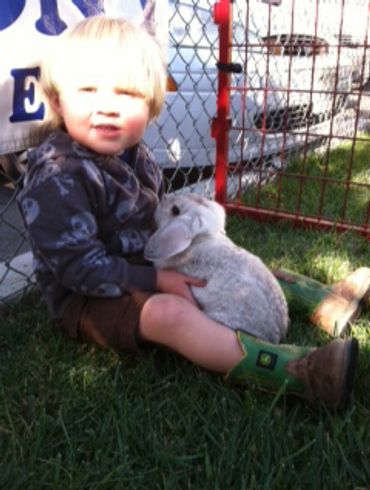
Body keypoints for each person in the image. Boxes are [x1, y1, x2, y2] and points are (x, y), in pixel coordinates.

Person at [18, 15, 360, 410]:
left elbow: (160, 217)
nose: (108, 107)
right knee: (170, 313)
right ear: (59, 101)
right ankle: (298, 372)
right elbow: (78, 269)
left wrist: (185, 259)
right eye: (89, 90)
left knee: (228, 261)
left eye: (127, 94)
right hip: (88, 299)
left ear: (150, 105)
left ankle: (324, 303)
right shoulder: (58, 175)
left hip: (148, 264)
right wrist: (158, 280)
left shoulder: (135, 154)